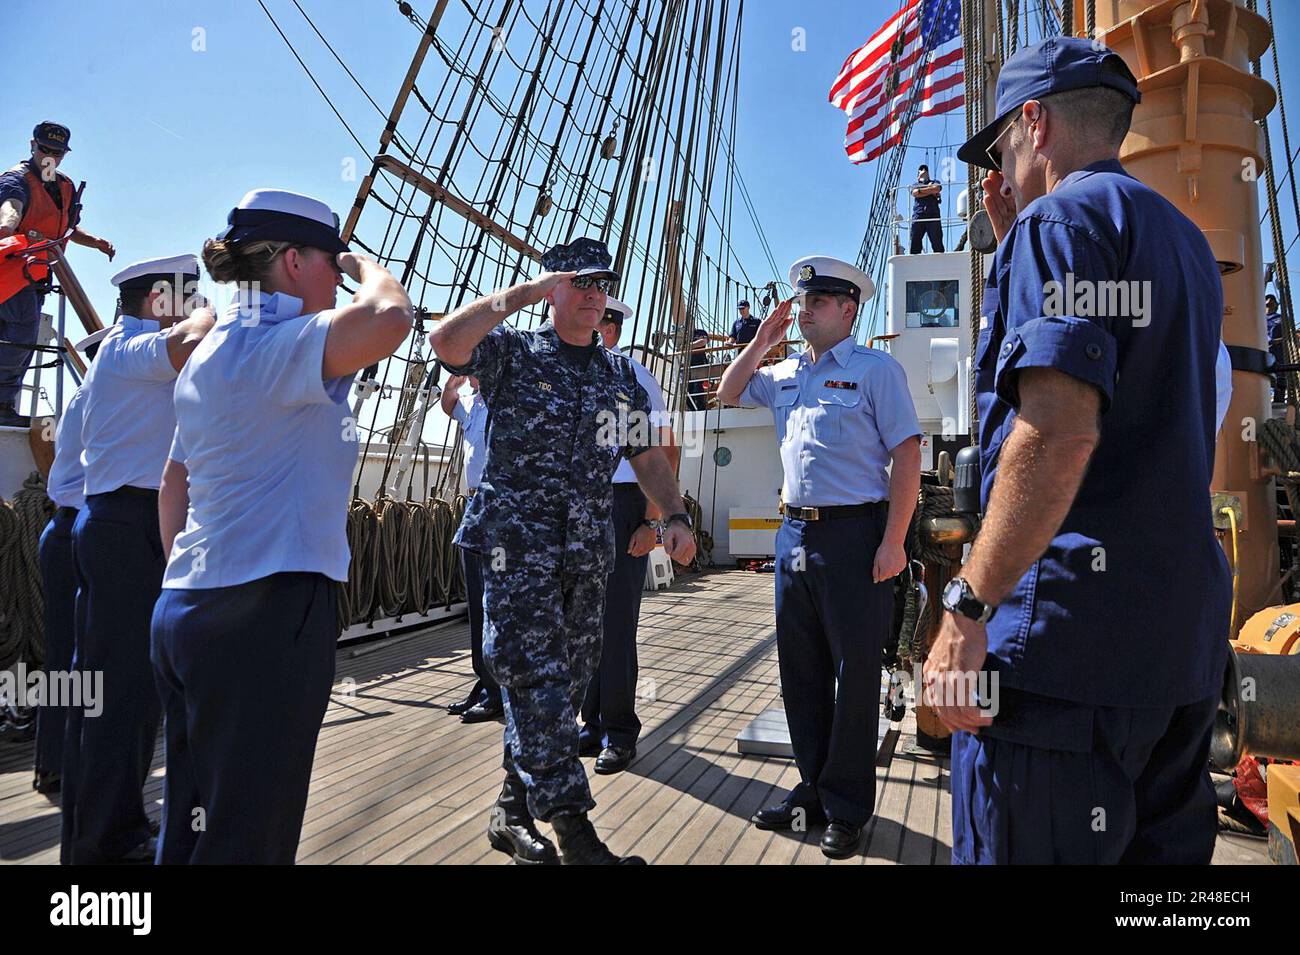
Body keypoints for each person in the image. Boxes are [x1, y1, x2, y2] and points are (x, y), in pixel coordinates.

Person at [927, 36, 1230, 865]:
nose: (996, 166)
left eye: (999, 146)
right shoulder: (1186, 245)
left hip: (1061, 670)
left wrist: (968, 605)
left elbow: (1059, 429)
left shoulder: (1059, 221)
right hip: (1175, 658)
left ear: (1034, 120)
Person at [149, 190, 411, 864]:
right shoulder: (283, 342)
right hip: (264, 615)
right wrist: (367, 262)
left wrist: (189, 568)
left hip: (184, 607)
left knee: (191, 827)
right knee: (248, 839)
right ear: (294, 261)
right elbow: (389, 317)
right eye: (329, 261)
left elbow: (173, 480)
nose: (337, 276)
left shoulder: (208, 353)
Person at [430, 236, 695, 865]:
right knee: (534, 679)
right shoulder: (513, 354)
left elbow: (647, 455)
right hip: (516, 552)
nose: (592, 295)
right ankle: (576, 835)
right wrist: (521, 292)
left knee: (566, 684)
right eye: (578, 283)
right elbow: (445, 342)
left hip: (584, 552)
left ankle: (509, 810)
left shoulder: (616, 375)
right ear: (551, 291)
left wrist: (675, 514)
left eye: (600, 285)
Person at [717, 255, 922, 860]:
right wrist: (759, 341)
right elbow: (727, 392)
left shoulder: (876, 371)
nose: (802, 311)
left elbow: (907, 457)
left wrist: (893, 543)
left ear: (847, 309)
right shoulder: (782, 373)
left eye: (816, 303)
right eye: (800, 302)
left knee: (855, 676)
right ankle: (812, 788)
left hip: (856, 537)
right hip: (793, 538)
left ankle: (849, 805)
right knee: (800, 672)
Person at [61, 254, 212, 864]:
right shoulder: (128, 348)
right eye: (188, 292)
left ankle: (114, 825)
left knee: (131, 693)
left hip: (137, 524)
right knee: (115, 694)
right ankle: (99, 843)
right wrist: (216, 313)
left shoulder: (136, 350)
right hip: (123, 527)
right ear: (158, 299)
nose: (197, 300)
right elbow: (193, 337)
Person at [579, 297, 678, 774]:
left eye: (599, 321)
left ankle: (618, 731)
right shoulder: (564, 369)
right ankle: (590, 721)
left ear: (612, 328)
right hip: (577, 503)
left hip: (623, 504)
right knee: (582, 619)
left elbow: (665, 451)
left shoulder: (634, 377)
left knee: (616, 623)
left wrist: (652, 521)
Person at [0, 122, 115, 426]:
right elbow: (10, 208)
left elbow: (65, 228)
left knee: (23, 337)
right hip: (11, 275)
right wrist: (6, 228)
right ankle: (2, 405)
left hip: (36, 277)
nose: (50, 156)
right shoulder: (16, 180)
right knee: (20, 336)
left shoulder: (61, 185)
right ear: (32, 146)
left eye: (57, 152)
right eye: (45, 149)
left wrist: (95, 242)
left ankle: (5, 404)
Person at [31, 329, 105, 796]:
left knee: (65, 655)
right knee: (93, 655)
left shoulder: (83, 397)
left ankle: (55, 760)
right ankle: (77, 764)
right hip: (87, 530)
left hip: (64, 528)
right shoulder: (109, 399)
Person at [442, 373, 504, 723]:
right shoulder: (471, 403)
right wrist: (452, 383)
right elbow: (448, 405)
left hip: (498, 506)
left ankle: (497, 690)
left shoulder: (504, 399)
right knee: (477, 601)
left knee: (494, 601)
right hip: (473, 506)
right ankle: (485, 683)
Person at [909, 163, 944, 254]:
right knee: (915, 241)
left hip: (933, 214)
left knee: (937, 242)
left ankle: (940, 261)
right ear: (918, 174)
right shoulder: (915, 184)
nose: (923, 170)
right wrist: (929, 190)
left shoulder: (934, 182)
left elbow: (937, 188)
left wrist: (921, 191)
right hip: (919, 215)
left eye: (925, 169)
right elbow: (915, 193)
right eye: (921, 169)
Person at [1266, 293, 1285, 401]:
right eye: (1267, 298)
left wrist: (1277, 341)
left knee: (1279, 378)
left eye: (1272, 299)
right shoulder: (1257, 318)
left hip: (1277, 352)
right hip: (1263, 350)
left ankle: (1279, 401)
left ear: (1276, 304)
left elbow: (1288, 335)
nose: (1269, 300)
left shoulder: (1281, 319)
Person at [687, 326, 711, 411]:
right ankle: (691, 409)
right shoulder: (684, 335)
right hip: (687, 365)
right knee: (687, 390)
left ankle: (701, 409)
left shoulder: (701, 332)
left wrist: (688, 345)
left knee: (698, 389)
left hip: (699, 364)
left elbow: (703, 342)